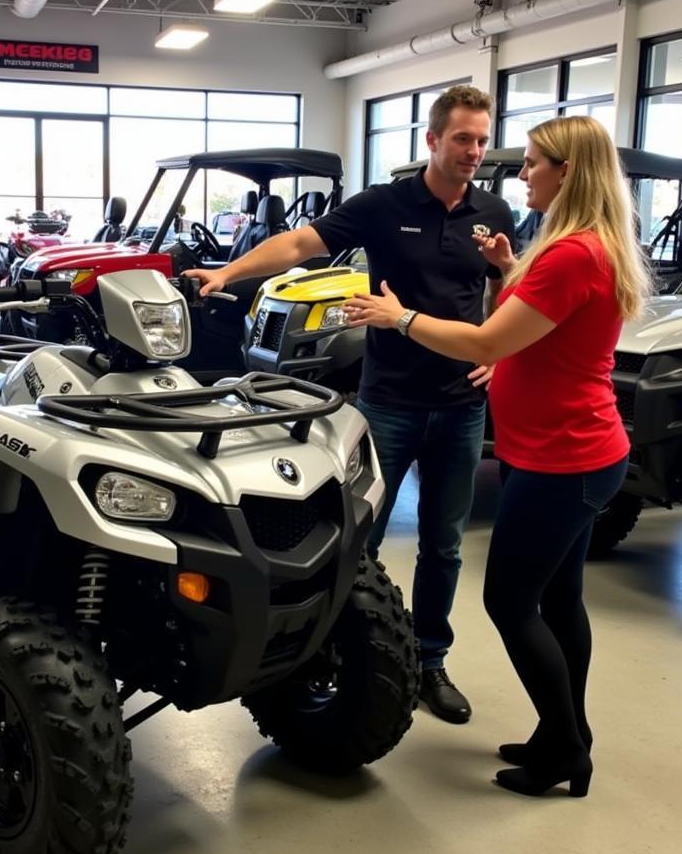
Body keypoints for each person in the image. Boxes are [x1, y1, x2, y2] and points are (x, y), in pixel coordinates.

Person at [185, 85, 516, 723]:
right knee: (355, 540)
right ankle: (341, 648)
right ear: (433, 140)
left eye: (481, 139)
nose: (474, 151)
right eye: (462, 139)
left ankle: (429, 659)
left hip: (460, 406)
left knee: (444, 544)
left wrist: (498, 351)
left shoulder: (494, 212)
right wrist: (229, 274)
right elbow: (298, 245)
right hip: (389, 402)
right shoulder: (385, 205)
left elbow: (509, 285)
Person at [342, 115, 651, 797]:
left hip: (562, 459)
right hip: (577, 452)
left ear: (567, 172)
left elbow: (486, 344)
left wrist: (400, 319)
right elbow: (543, 329)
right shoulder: (577, 246)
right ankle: (566, 730)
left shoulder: (573, 254)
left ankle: (566, 748)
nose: (518, 174)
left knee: (511, 602)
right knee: (561, 599)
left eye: (533, 162)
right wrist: (510, 269)